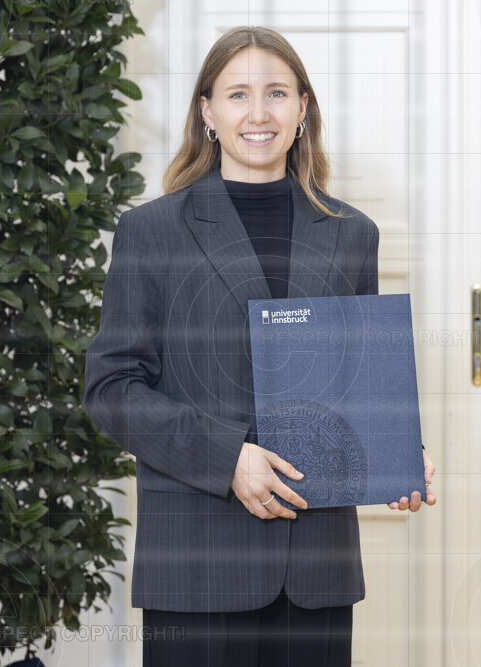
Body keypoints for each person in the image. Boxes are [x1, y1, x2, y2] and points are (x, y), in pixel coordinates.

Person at [83, 25, 436, 667]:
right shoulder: (151, 232)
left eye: (276, 93)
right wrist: (227, 460)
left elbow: (356, 383)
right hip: (197, 564)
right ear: (207, 111)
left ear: (303, 108)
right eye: (238, 94)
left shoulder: (353, 234)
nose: (258, 113)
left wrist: (395, 452)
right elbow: (112, 390)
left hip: (316, 568)